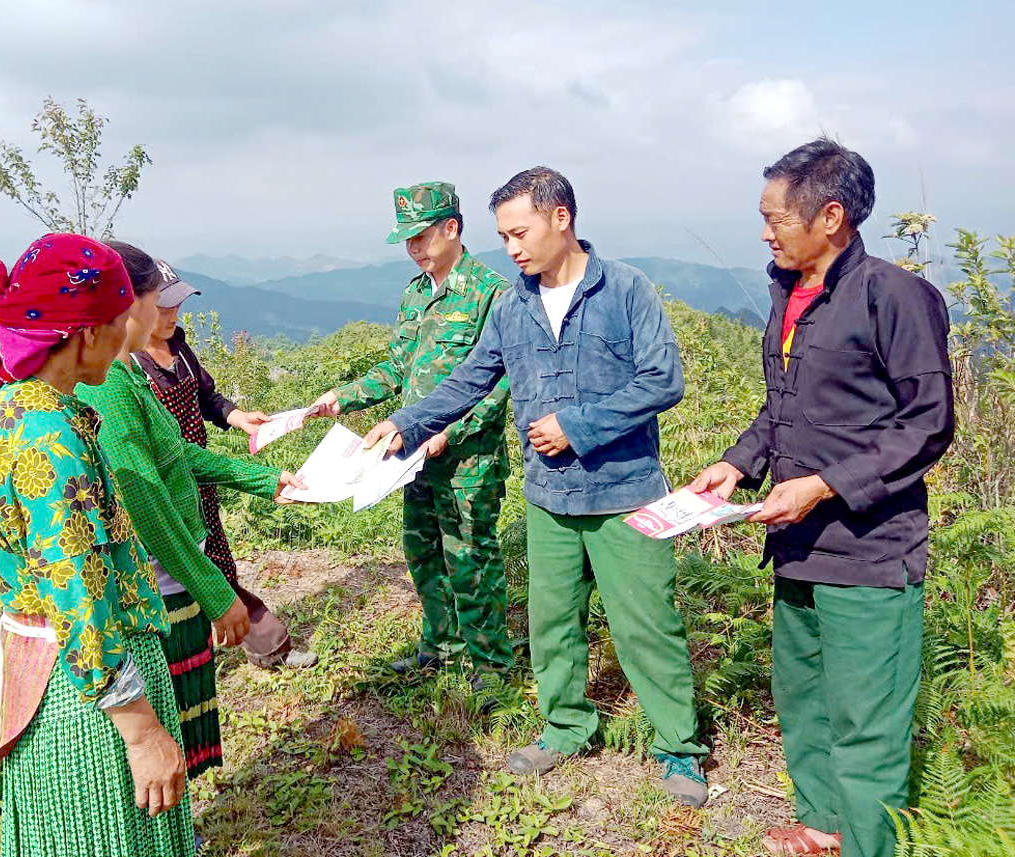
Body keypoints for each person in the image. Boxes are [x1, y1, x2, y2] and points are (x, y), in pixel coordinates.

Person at [364, 167, 708, 806]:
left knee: (644, 624)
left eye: (520, 232)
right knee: (553, 622)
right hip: (549, 495)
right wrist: (404, 423)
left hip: (624, 492)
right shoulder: (513, 304)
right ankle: (566, 725)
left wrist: (577, 425)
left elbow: (663, 381)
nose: (513, 248)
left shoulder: (627, 290)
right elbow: (470, 379)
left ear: (562, 218)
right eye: (504, 237)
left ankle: (678, 750)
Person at [689, 138, 953, 857]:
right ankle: (821, 823)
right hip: (797, 543)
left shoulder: (894, 296)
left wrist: (826, 485)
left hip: (870, 550)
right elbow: (784, 408)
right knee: (804, 697)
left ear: (830, 215)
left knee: (867, 719)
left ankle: (871, 843)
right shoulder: (789, 291)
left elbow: (928, 426)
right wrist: (735, 465)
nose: (766, 231)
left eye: (776, 217)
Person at [0, 233, 195, 856]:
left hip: (46, 679)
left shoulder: (14, 406)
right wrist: (141, 729)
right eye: (117, 318)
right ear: (82, 334)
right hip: (88, 703)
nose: (130, 328)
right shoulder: (53, 438)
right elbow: (76, 590)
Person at [75, 243, 305, 787]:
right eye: (157, 303)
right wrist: (214, 591)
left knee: (185, 700)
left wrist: (264, 478)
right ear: (125, 305)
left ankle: (178, 821)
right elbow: (146, 501)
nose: (165, 317)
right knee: (169, 708)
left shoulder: (128, 371)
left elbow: (178, 452)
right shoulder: (109, 387)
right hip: (162, 569)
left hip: (181, 551)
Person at [310, 181, 515, 692]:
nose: (415, 249)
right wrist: (344, 397)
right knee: (423, 553)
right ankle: (440, 647)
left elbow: (502, 381)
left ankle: (490, 666)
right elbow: (400, 367)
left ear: (452, 228)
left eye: (422, 237)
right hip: (409, 455)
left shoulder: (492, 293)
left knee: (470, 556)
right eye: (407, 241)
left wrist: (451, 430)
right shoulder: (416, 293)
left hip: (468, 459)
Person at [134, 258, 318, 675]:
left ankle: (242, 643)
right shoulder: (128, 372)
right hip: (161, 487)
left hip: (201, 479)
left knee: (216, 560)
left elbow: (208, 399)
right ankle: (257, 643)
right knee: (190, 571)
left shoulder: (178, 348)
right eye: (161, 307)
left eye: (176, 306)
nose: (171, 316)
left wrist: (238, 417)